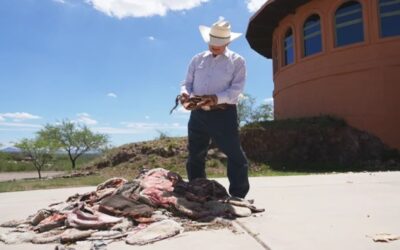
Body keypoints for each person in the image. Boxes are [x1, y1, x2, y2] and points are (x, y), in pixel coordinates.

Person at [180, 18, 249, 198]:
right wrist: (185, 94)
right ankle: (197, 190)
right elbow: (186, 83)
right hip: (197, 114)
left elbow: (236, 90)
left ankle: (238, 195)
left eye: (219, 44)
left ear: (228, 42)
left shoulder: (237, 61)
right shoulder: (197, 59)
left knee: (234, 154)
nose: (214, 46)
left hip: (223, 113)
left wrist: (216, 98)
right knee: (195, 154)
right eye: (212, 43)